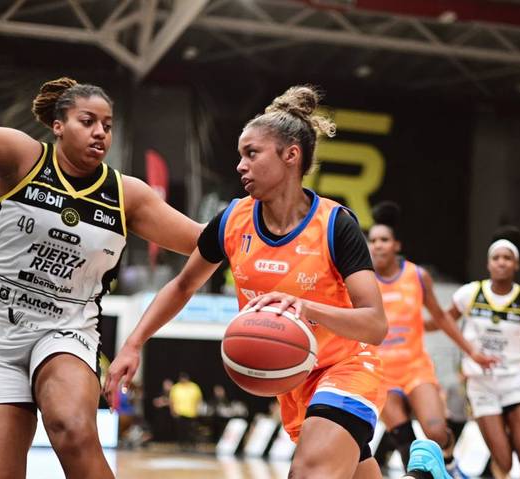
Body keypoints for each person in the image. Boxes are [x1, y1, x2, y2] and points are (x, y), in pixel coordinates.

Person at [0, 1, 203, 477]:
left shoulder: (127, 194)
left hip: (66, 330)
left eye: (107, 125)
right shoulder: (22, 158)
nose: (100, 133)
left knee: (71, 427)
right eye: (87, 121)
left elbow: (208, 241)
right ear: (58, 126)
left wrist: (275, 216)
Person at [105, 85, 396, 478]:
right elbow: (183, 286)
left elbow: (375, 324)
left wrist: (307, 308)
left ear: (291, 155)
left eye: (252, 153)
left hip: (347, 368)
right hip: (293, 380)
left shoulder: (335, 225)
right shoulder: (232, 220)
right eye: (240, 155)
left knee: (308, 473)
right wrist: (133, 344)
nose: (241, 165)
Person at [368, 202, 496, 478]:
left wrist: (471, 351)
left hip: (415, 368)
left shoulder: (417, 276)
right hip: (380, 373)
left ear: (397, 245)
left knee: (436, 432)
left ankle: (449, 464)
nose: (377, 245)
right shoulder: (363, 280)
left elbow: (441, 317)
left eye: (384, 240)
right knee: (404, 440)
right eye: (373, 240)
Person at [447, 226, 520, 479]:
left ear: (516, 264)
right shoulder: (470, 293)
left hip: (514, 382)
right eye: (496, 258)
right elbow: (444, 320)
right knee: (504, 460)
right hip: (481, 384)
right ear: (488, 264)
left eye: (507, 258)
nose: (501, 262)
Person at [169, 372, 203, 451]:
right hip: (180, 412)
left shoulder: (194, 387)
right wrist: (172, 410)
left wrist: (198, 409)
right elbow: (171, 400)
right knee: (181, 430)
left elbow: (199, 399)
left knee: (192, 430)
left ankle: (192, 445)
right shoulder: (176, 387)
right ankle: (182, 445)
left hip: (192, 413)